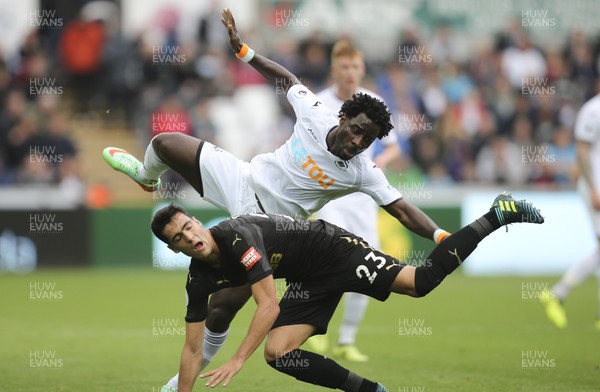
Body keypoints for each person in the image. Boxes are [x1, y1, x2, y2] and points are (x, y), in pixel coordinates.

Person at [103, 8, 449, 390]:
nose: (357, 142)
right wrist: (244, 52)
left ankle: (175, 386)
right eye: (356, 132)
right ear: (345, 117)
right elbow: (286, 79)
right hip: (243, 176)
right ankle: (146, 177)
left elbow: (400, 207)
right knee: (164, 142)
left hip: (268, 227)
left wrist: (437, 236)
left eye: (367, 141)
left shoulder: (362, 171)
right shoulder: (316, 113)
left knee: (220, 309)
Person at [151, 192, 543, 392]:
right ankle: (371, 390)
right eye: (179, 239)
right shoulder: (197, 278)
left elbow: (267, 306)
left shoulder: (238, 236)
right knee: (278, 354)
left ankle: (498, 214)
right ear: (174, 249)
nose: (189, 237)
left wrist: (236, 360)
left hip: (335, 251)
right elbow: (191, 349)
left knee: (419, 283)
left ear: (197, 222)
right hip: (307, 279)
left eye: (188, 227)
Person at [306, 40, 401, 362]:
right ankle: (312, 328)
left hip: (363, 197)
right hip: (330, 194)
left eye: (355, 67)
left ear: (361, 70)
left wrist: (383, 162)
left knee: (368, 264)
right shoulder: (319, 103)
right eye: (344, 67)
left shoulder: (374, 103)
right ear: (334, 69)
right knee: (328, 258)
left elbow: (393, 146)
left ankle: (347, 339)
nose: (350, 73)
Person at [540, 93, 600, 330]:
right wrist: (593, 189)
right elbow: (582, 151)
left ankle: (559, 294)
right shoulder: (593, 109)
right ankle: (558, 293)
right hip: (595, 188)